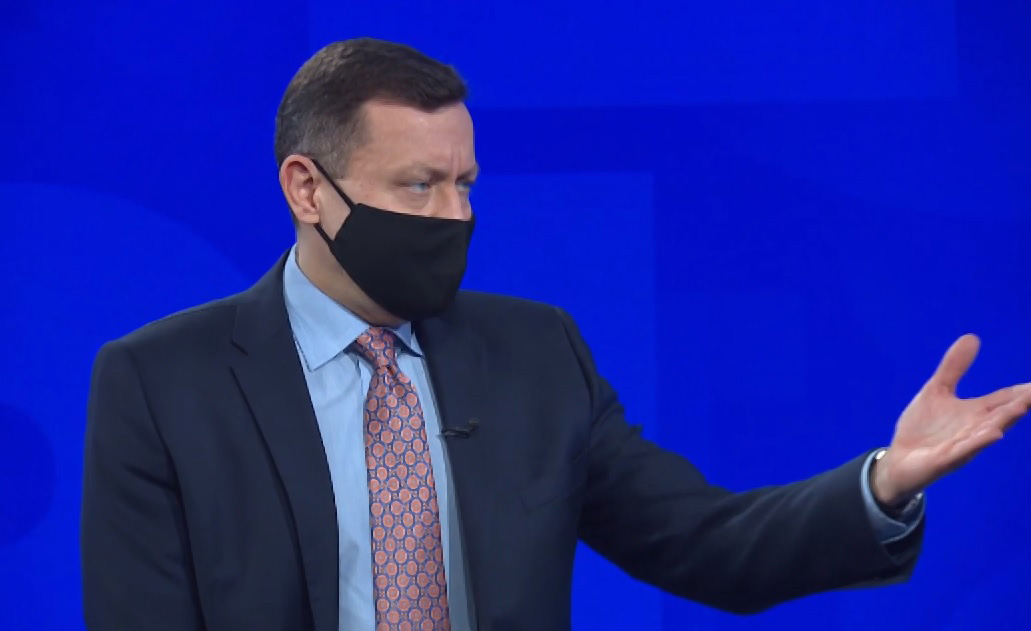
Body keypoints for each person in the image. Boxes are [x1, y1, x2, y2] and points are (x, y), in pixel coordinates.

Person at [80, 38, 1031, 631]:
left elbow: (705, 543)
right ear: (306, 189)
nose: (453, 215)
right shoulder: (161, 381)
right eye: (418, 185)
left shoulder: (536, 355)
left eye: (464, 184)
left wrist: (884, 480)